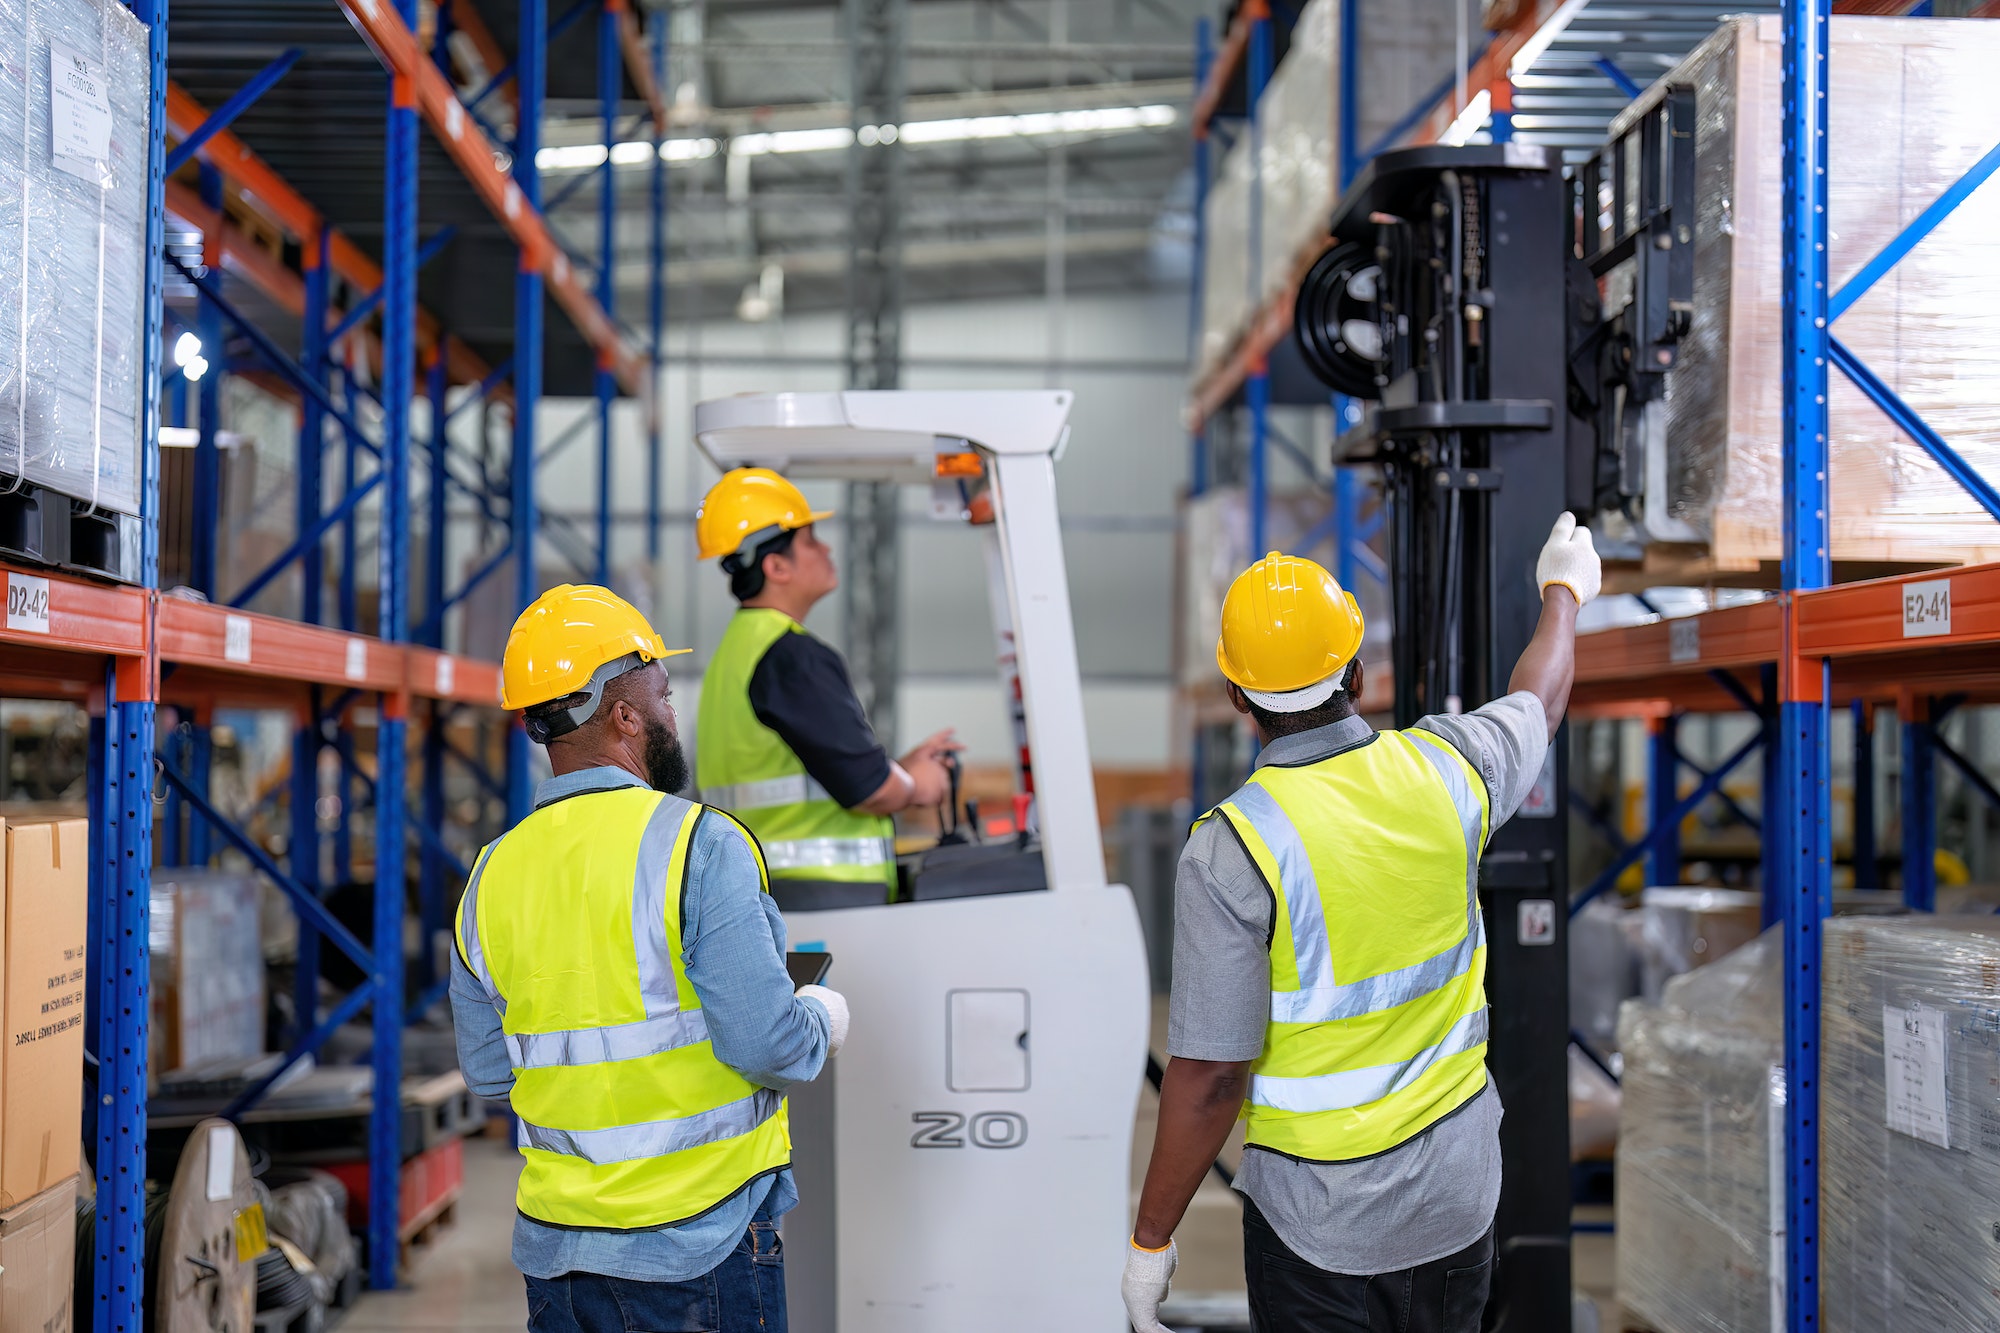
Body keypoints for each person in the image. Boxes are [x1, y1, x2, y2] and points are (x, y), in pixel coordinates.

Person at [1122, 514, 1602, 1333]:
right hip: (1456, 1200)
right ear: (1357, 670)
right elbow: (1539, 701)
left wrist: (1150, 1240)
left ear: (1237, 695)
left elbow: (1208, 1081)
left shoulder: (1231, 848)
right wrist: (1564, 593)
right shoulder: (1450, 771)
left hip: (1318, 1226)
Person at [451, 583, 848, 1333]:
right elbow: (770, 1046)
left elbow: (492, 1075)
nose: (673, 711)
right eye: (663, 692)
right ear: (624, 714)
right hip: (703, 1248)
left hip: (559, 1261)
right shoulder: (699, 845)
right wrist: (823, 1016)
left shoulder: (490, 874)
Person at [693, 467, 961, 906]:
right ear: (776, 566)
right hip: (823, 890)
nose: (827, 548)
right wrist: (918, 785)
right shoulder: (791, 656)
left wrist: (901, 767)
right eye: (811, 540)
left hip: (769, 888)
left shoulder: (738, 651)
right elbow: (868, 791)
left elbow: (825, 769)